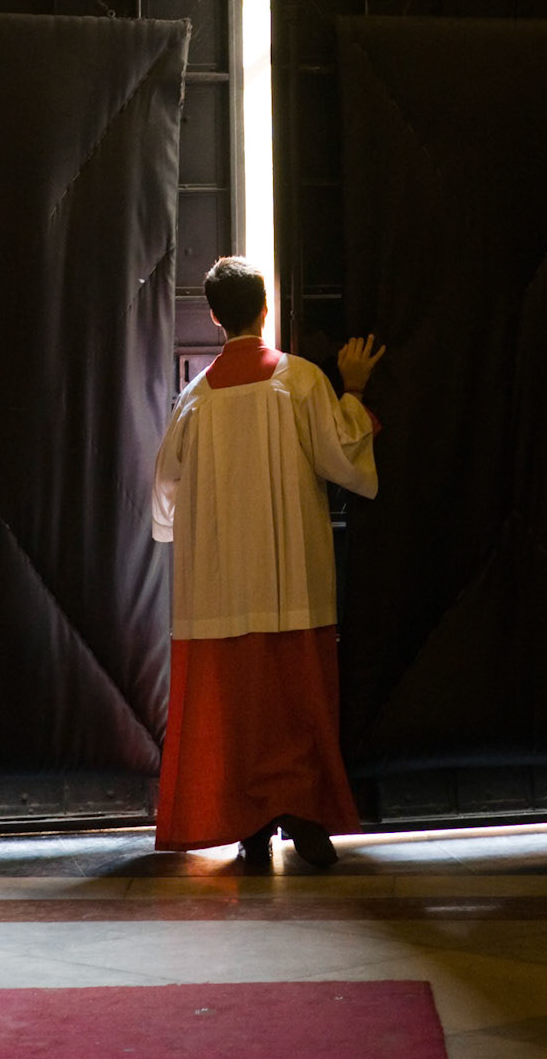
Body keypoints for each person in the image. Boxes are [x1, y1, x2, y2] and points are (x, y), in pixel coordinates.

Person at [151, 255, 385, 870]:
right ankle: (306, 822)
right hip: (290, 567)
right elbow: (342, 458)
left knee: (240, 706)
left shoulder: (192, 400)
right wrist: (354, 389)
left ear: (213, 317)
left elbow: (168, 487)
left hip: (222, 579)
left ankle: (250, 828)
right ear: (264, 308)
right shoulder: (301, 381)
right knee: (297, 697)